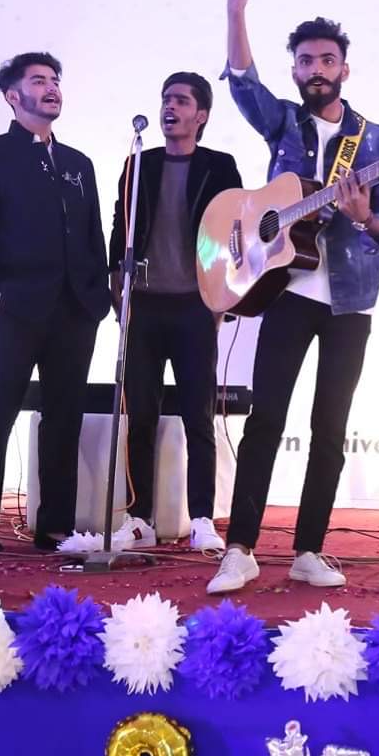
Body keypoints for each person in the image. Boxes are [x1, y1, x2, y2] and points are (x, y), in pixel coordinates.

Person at [207, 0, 379, 594]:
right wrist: (236, 8)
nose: (316, 70)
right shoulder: (284, 123)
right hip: (286, 291)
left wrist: (365, 217)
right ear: (294, 68)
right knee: (265, 419)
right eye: (305, 61)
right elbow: (242, 83)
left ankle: (309, 549)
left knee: (329, 429)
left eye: (326, 60)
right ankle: (240, 547)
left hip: (350, 302)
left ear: (345, 68)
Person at [0, 52, 110, 552]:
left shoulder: (78, 163)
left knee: (65, 415)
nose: (51, 87)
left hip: (75, 310)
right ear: (13, 96)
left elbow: (93, 235)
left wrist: (98, 297)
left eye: (55, 79)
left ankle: (55, 525)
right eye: (39, 80)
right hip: (15, 307)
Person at [107, 71, 244, 555]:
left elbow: (235, 232)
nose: (170, 107)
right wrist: (117, 293)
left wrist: (221, 299)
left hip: (194, 307)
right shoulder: (137, 164)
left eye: (182, 101)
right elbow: (120, 228)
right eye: (167, 99)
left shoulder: (219, 167)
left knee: (197, 418)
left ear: (201, 115)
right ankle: (138, 519)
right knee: (140, 417)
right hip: (143, 306)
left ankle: (202, 517)